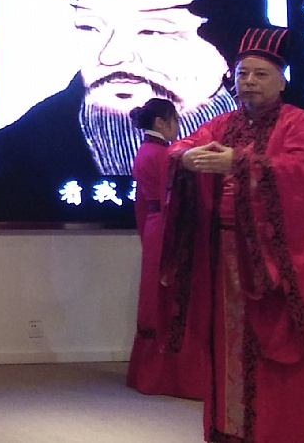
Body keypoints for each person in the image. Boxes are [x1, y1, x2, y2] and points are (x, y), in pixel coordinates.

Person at [0, 0, 271, 221]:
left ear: (230, 46)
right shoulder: (20, 150)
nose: (110, 56)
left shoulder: (284, 126)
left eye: (152, 31)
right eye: (90, 27)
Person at [160, 28, 304, 442]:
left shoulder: (299, 124)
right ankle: (230, 430)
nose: (250, 82)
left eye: (260, 74)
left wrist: (239, 163)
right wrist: (185, 157)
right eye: (243, 74)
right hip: (225, 256)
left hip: (271, 262)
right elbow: (181, 146)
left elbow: (303, 175)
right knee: (227, 345)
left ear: (282, 81)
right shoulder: (224, 123)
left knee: (273, 352)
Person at [123, 96, 205, 400]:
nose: (178, 126)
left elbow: (142, 204)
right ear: (161, 122)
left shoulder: (145, 151)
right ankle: (172, 376)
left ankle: (148, 373)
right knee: (174, 298)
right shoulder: (166, 154)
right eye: (175, 120)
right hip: (171, 228)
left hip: (155, 225)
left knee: (156, 298)